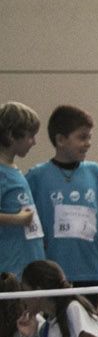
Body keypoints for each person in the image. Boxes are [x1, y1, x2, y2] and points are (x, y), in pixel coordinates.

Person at [25, 105, 98, 311]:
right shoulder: (37, 176)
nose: (88, 143)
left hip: (88, 270)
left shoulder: (95, 172)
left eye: (89, 138)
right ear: (61, 140)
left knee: (86, 323)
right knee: (54, 326)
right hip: (51, 272)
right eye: (82, 137)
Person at [0, 101, 45, 278]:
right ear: (11, 136)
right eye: (30, 136)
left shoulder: (12, 170)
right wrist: (16, 219)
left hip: (29, 267)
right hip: (11, 269)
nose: (34, 142)